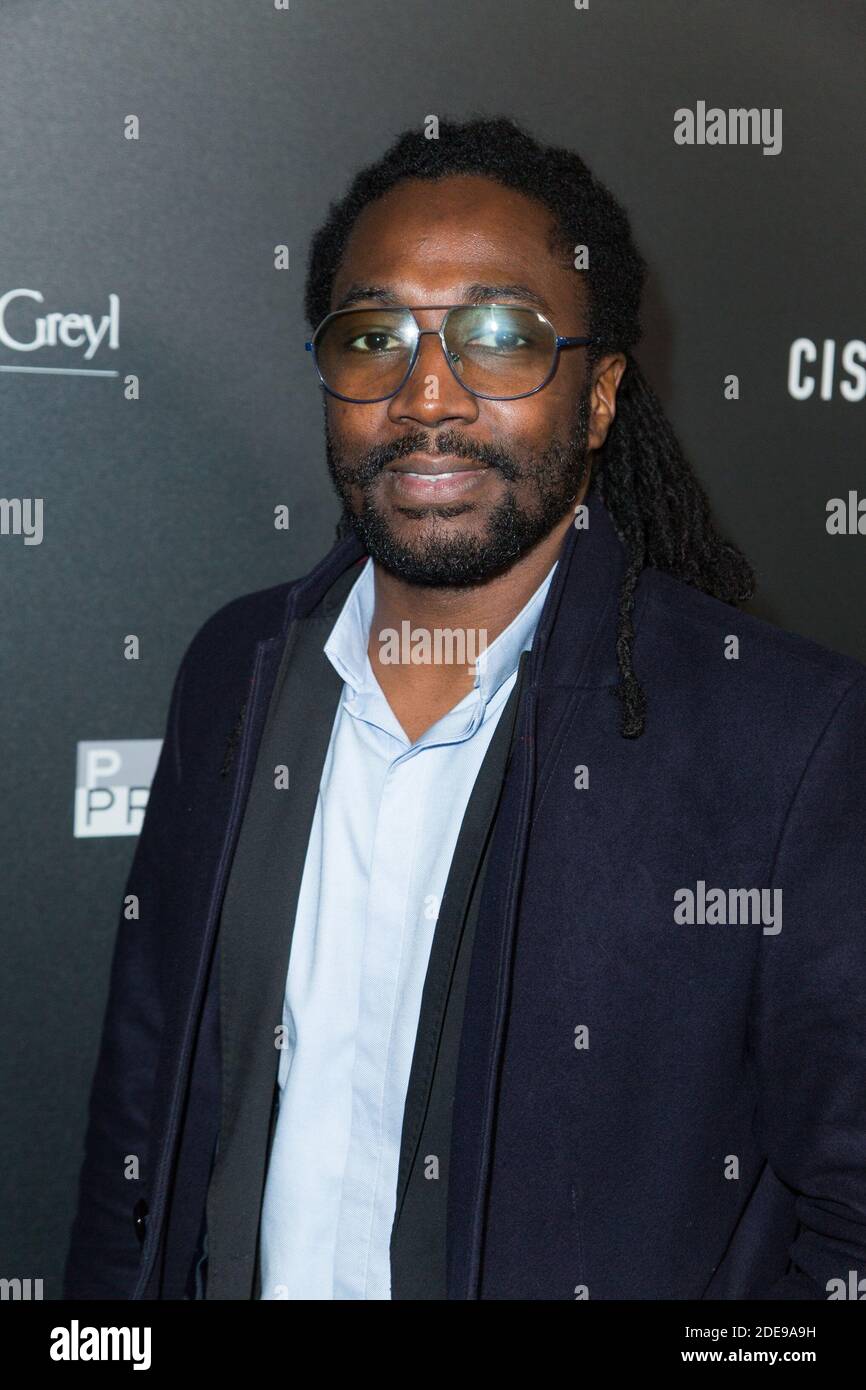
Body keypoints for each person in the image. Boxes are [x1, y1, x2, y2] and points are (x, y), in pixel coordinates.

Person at [64, 116, 866, 1301]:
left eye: (498, 336)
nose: (425, 395)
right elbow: (139, 1126)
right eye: (374, 334)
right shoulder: (236, 672)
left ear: (597, 398)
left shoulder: (781, 734)